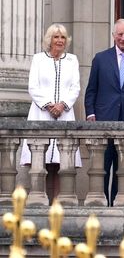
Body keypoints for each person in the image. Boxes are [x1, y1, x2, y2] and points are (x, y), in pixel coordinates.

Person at [84, 18, 124, 207]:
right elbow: (91, 90)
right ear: (113, 36)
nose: (123, 38)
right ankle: (102, 205)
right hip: (104, 121)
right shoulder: (100, 58)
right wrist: (90, 113)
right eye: (119, 34)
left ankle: (120, 204)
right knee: (102, 167)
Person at [20, 23, 81, 203]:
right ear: (49, 40)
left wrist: (62, 105)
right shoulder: (39, 59)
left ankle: (58, 203)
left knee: (61, 161)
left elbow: (75, 87)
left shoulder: (72, 59)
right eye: (56, 37)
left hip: (64, 115)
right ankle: (40, 201)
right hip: (41, 114)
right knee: (41, 160)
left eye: (62, 37)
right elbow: (33, 86)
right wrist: (48, 105)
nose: (60, 40)